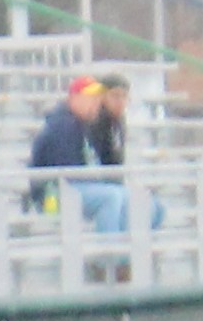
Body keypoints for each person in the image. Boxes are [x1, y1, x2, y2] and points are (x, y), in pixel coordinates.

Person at [27, 76, 128, 233]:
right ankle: (110, 254)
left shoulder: (83, 124)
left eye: (97, 99)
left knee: (133, 199)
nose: (96, 104)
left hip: (73, 187)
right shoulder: (63, 124)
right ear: (74, 99)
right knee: (111, 197)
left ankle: (125, 252)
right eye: (90, 98)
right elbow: (70, 175)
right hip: (52, 196)